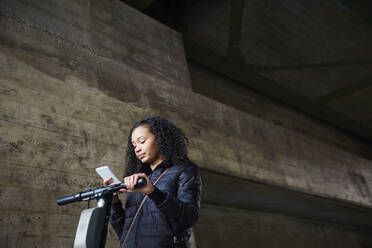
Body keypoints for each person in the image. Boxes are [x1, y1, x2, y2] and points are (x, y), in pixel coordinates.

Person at [104, 116, 202, 248]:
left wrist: (153, 192)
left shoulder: (185, 170)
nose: (137, 149)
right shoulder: (139, 181)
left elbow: (189, 218)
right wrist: (115, 202)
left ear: (160, 139)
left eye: (142, 141)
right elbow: (125, 234)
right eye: (134, 145)